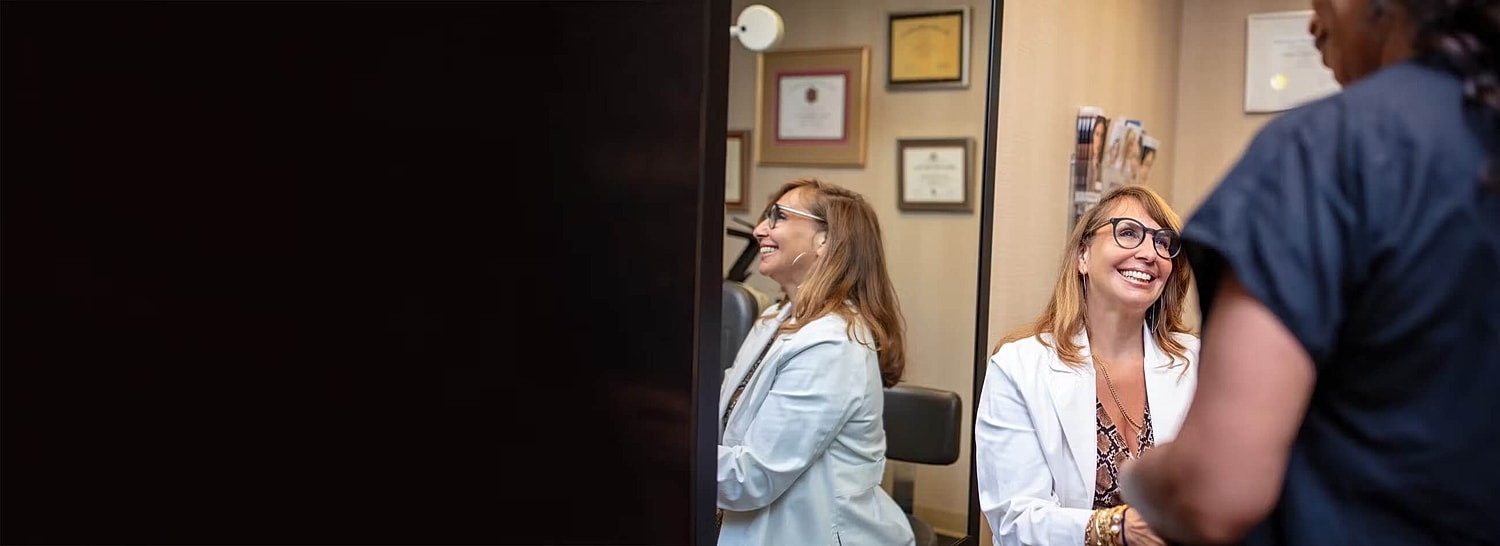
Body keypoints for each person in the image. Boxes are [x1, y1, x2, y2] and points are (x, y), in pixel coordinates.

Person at [1117, 1, 1500, 544]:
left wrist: (1140, 475)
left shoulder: (1329, 149)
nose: (1313, 23)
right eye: (1125, 234)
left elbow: (1214, 493)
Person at [975, 185, 1199, 546]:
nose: (1148, 253)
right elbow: (1014, 521)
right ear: (1083, 255)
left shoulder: (1198, 362)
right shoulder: (1019, 368)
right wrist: (1116, 530)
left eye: (1163, 242)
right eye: (1128, 233)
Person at [717, 177, 915, 546]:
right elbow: (728, 411)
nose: (760, 229)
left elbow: (753, 477)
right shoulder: (776, 317)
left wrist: (664, 452)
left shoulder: (832, 344)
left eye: (777, 217)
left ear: (825, 240)